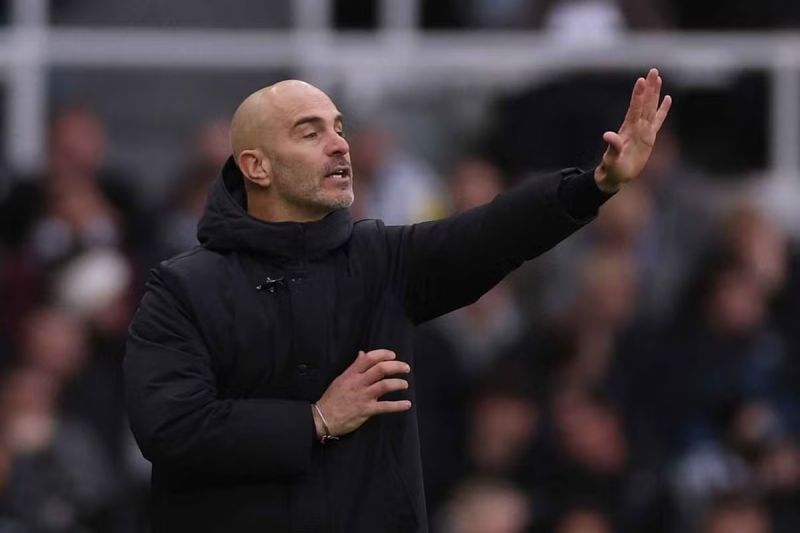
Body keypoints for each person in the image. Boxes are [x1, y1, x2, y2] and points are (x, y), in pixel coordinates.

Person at [124, 71, 671, 532]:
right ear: (257, 167)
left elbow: (492, 233)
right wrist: (315, 420)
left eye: (340, 129)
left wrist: (595, 184)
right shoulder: (182, 288)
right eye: (310, 133)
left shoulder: (382, 260)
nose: (340, 145)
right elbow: (171, 428)